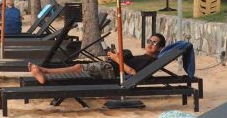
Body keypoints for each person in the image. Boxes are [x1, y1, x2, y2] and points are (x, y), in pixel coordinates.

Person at [28, 33, 165, 84]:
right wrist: (117, 56)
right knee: (79, 67)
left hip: (110, 70)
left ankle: (44, 72)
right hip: (110, 67)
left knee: (78, 68)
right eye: (149, 41)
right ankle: (43, 71)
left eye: (154, 43)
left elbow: (133, 72)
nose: (150, 44)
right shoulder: (146, 57)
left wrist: (116, 59)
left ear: (160, 48)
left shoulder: (150, 61)